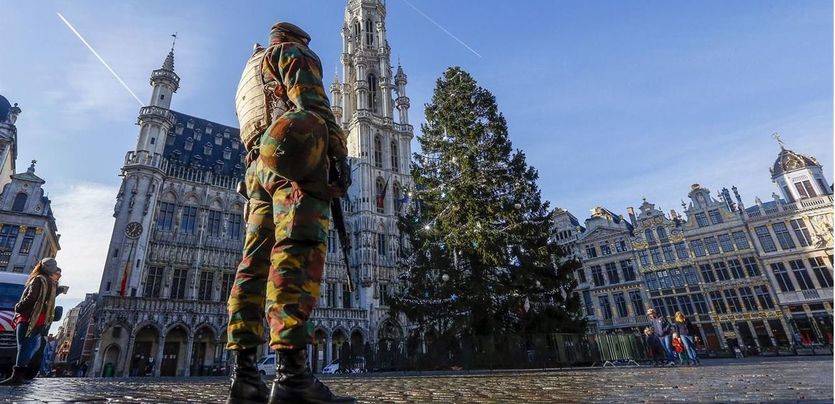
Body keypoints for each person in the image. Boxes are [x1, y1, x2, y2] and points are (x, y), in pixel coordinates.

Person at [226, 21, 353, 404]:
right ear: (295, 39)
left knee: (253, 264)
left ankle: (244, 377)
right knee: (296, 251)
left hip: (255, 171)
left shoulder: (249, 74)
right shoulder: (290, 53)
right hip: (292, 162)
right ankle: (292, 377)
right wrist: (337, 155)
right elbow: (314, 106)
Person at [1, 258, 64, 386]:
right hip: (40, 319)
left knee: (23, 346)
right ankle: (20, 375)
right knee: (28, 346)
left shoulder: (38, 279)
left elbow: (31, 298)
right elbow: (47, 300)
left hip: (29, 317)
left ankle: (16, 377)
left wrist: (18, 307)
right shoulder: (51, 283)